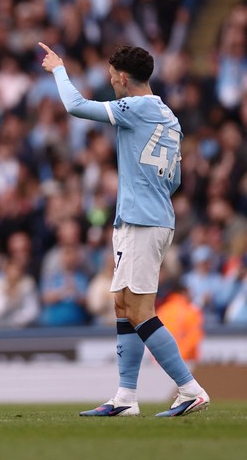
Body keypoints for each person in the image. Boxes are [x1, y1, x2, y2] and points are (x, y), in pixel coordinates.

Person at [39, 42, 209, 417]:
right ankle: (126, 396)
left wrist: (58, 69)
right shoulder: (168, 115)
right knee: (122, 304)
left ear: (122, 77)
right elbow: (175, 179)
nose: (109, 79)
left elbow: (75, 106)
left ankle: (189, 387)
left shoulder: (135, 107)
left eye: (111, 74)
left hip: (142, 221)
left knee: (139, 308)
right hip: (150, 216)